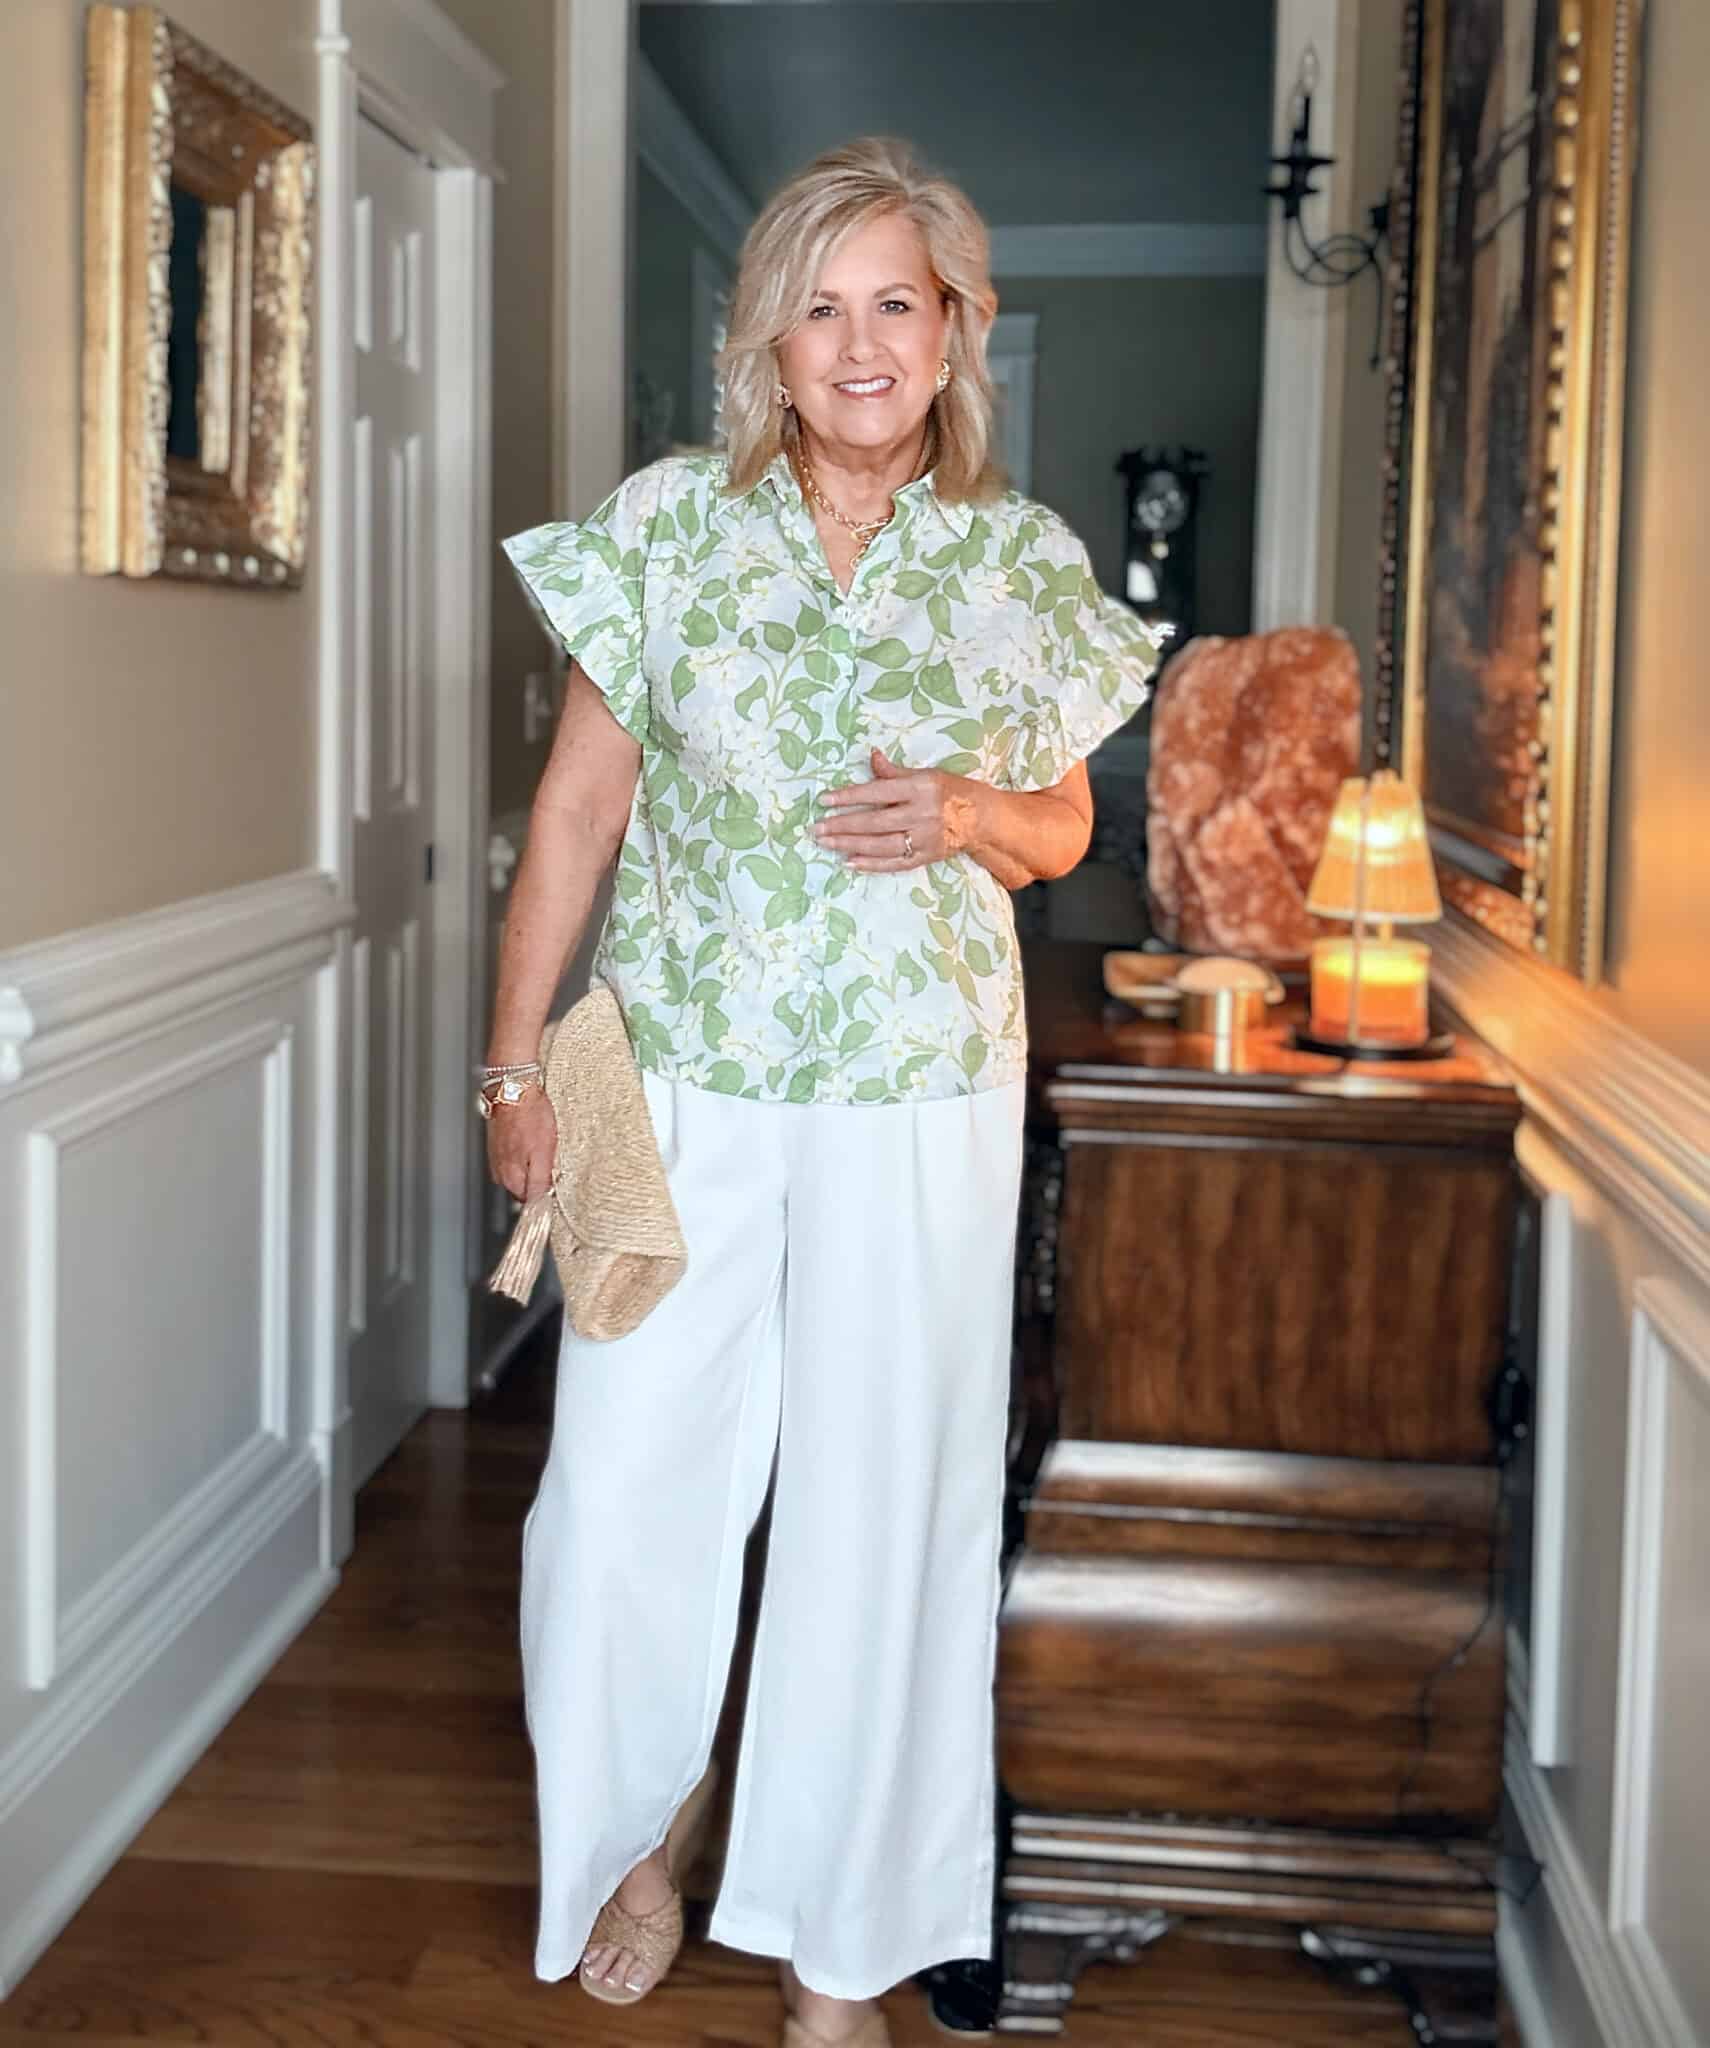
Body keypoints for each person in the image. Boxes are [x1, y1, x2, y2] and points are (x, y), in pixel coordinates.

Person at [486, 136, 1161, 2048]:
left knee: (887, 1516)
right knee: (620, 1496)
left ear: (955, 338)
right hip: (684, 1085)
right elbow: (578, 808)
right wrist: (509, 1061)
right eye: (820, 305)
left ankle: (835, 1951)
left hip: (924, 1100)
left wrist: (959, 806)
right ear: (766, 344)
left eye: (898, 303)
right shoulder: (672, 530)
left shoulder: (1018, 560)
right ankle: (639, 1837)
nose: (859, 342)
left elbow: (1056, 830)